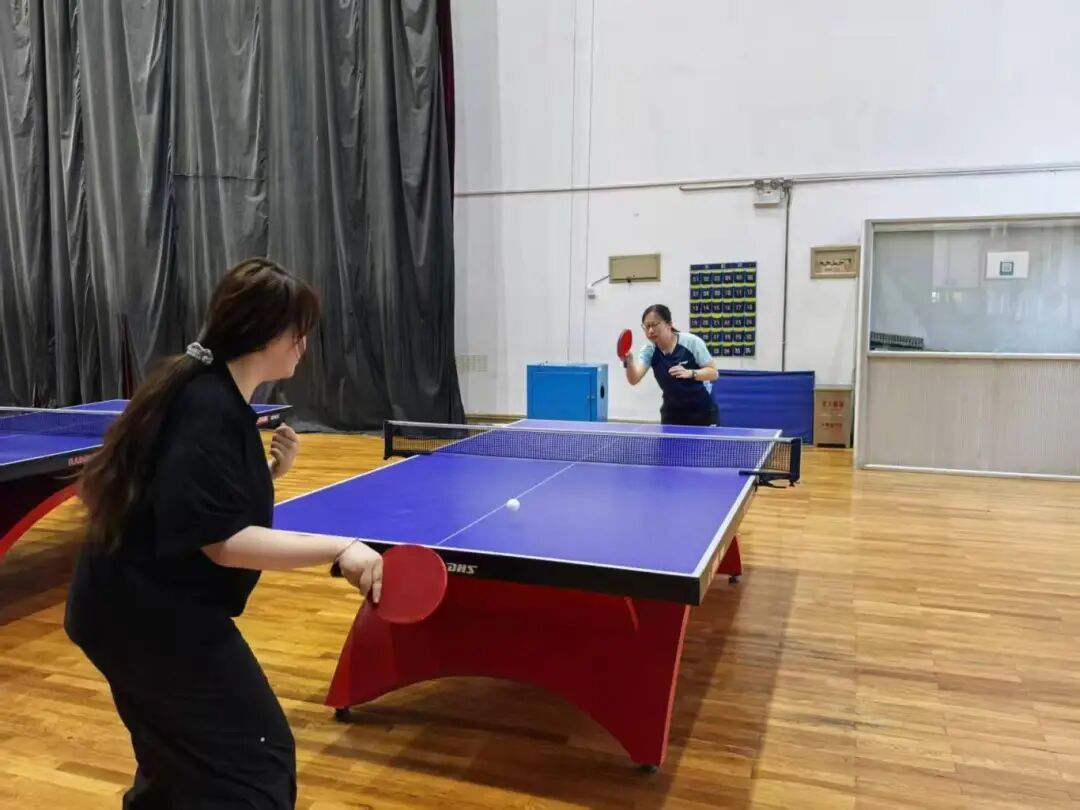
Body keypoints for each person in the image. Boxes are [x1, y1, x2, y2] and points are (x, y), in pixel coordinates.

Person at [64, 258, 383, 809]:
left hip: (132, 607)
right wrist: (341, 548)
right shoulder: (206, 406)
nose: (304, 346)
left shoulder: (216, 397)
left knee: (176, 762)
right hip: (142, 617)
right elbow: (223, 543)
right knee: (257, 762)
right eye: (298, 332)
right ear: (267, 335)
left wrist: (270, 473)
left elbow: (190, 500)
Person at [623, 304, 720, 426]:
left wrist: (691, 373)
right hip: (672, 414)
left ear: (669, 324)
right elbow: (634, 379)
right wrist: (629, 362)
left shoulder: (692, 342)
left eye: (654, 325)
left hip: (702, 412)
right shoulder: (649, 351)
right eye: (647, 326)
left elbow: (714, 373)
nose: (650, 331)